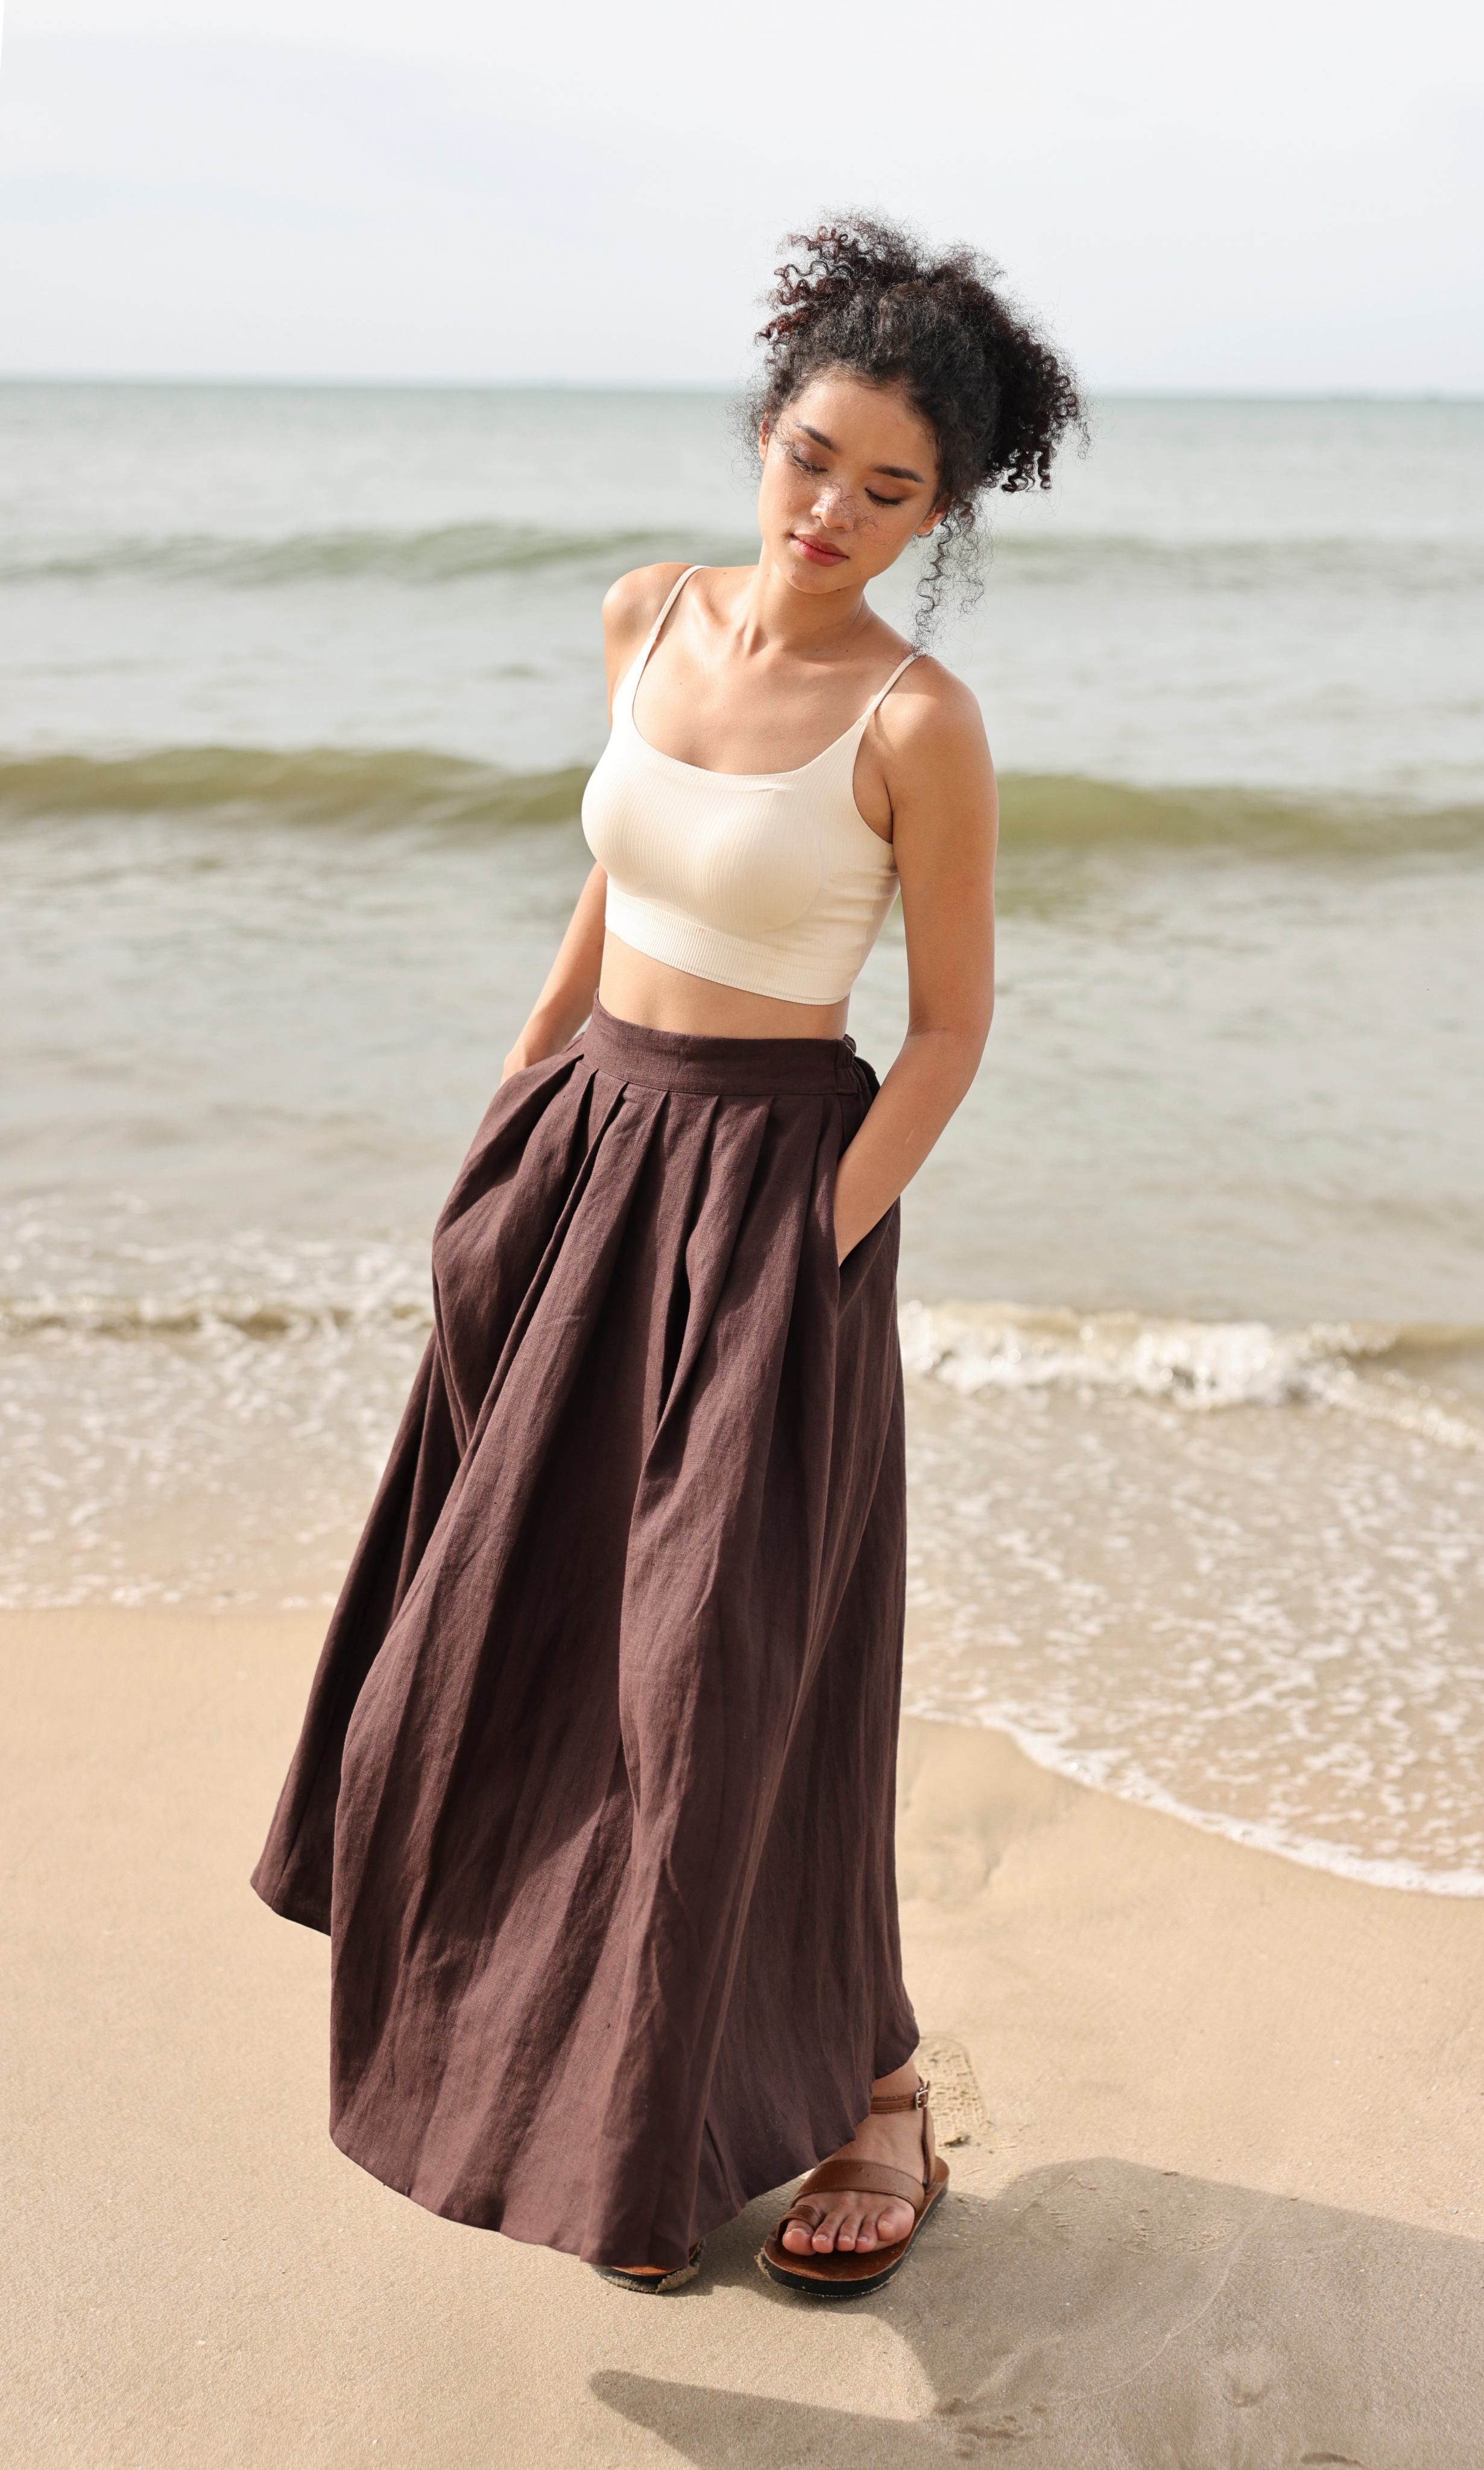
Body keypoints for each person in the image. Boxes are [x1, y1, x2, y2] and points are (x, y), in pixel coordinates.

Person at [251, 215, 1081, 2299]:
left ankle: (868, 2090)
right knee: (512, 1652)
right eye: (812, 459)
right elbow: (604, 896)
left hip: (767, 1204)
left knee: (719, 1680)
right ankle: (599, 2111)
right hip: (579, 1162)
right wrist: (505, 1133)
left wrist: (806, 1241)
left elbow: (959, 1027)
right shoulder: (644, 616)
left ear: (942, 511)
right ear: (765, 425)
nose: (835, 515)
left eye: (892, 492)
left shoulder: (918, 721)